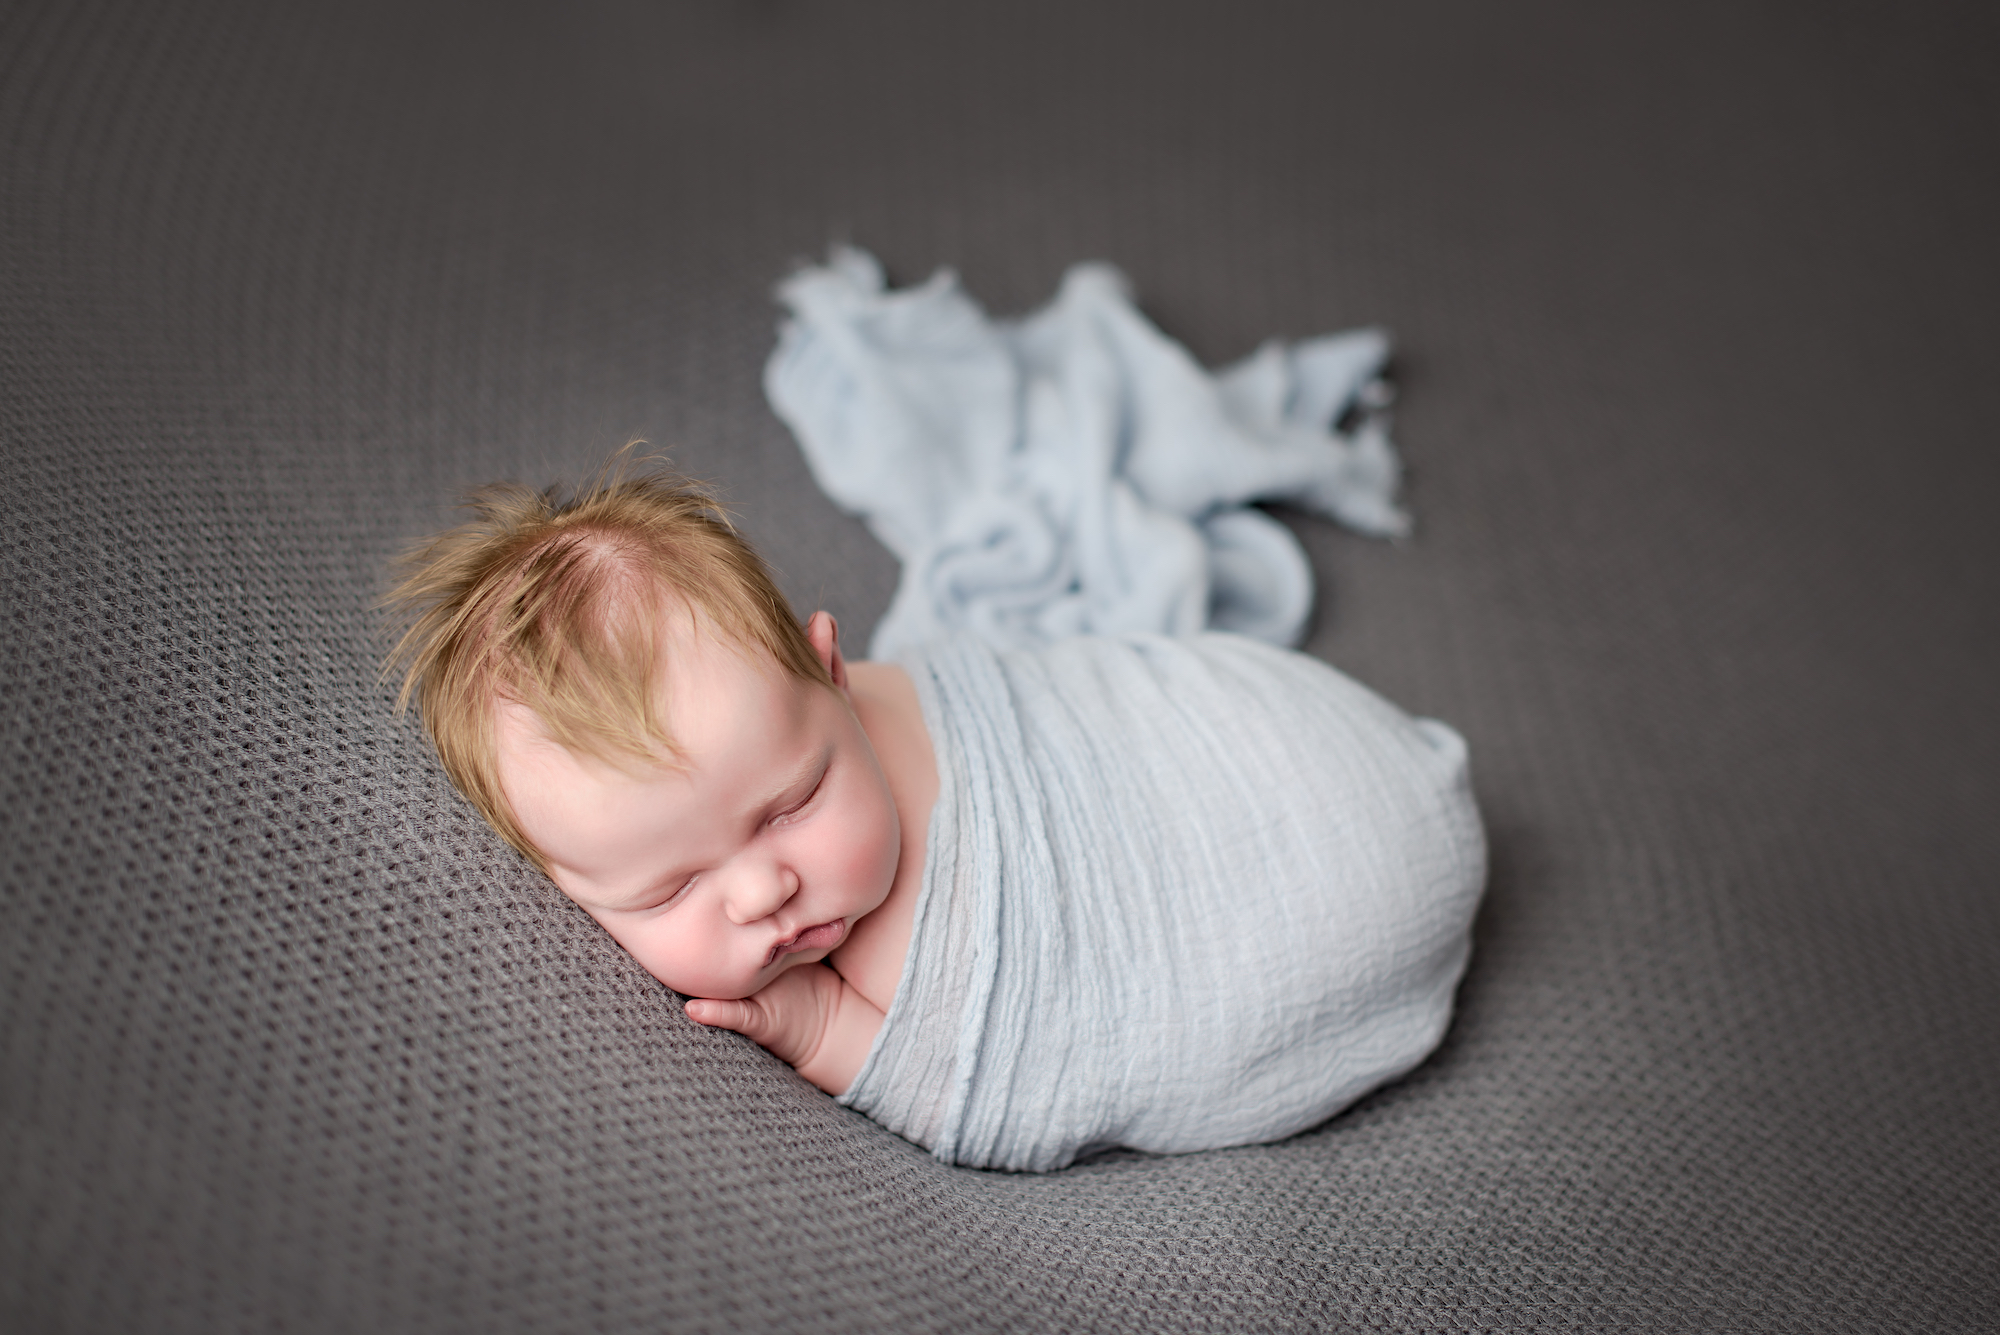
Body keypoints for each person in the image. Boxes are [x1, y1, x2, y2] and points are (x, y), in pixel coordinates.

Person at [387, 454, 1485, 1171]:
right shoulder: (760, 776)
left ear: (834, 675)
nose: (763, 889)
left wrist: (819, 1027)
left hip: (1269, 773)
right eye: (668, 887)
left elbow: (990, 1092)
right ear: (562, 880)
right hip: (1337, 849)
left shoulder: (905, 741)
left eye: (792, 801)